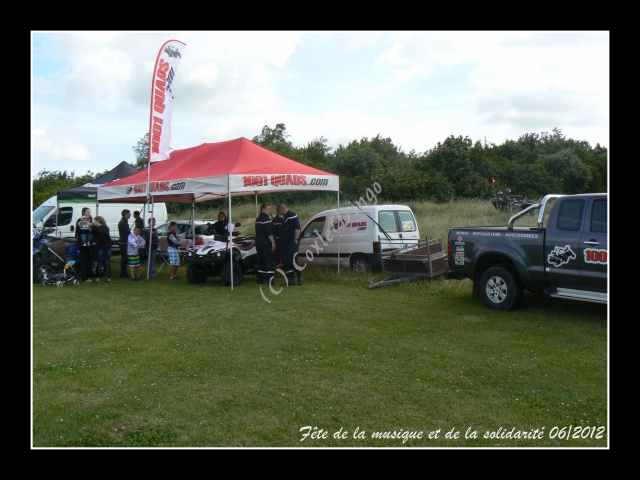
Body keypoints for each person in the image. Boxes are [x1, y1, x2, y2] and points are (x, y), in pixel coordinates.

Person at [273, 203, 303, 286]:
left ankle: (300, 275)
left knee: (292, 259)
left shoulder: (292, 215)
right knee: (286, 260)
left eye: (279, 211)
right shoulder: (285, 217)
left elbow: (297, 228)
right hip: (285, 243)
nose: (279, 213)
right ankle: (291, 280)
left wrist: (296, 239)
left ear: (281, 210)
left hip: (292, 242)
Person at [255, 203, 276, 285]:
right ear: (263, 209)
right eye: (269, 209)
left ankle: (260, 278)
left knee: (261, 261)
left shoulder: (258, 219)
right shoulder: (266, 220)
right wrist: (273, 242)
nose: (270, 210)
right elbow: (269, 233)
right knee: (269, 261)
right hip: (265, 244)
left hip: (258, 243)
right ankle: (270, 280)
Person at [75, 207, 93, 283]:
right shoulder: (81, 221)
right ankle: (84, 277)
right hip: (82, 243)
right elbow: (81, 230)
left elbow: (90, 230)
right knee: (84, 259)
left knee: (88, 258)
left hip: (88, 242)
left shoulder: (89, 220)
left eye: (89, 212)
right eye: (87, 212)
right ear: (83, 213)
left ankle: (87, 274)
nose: (89, 213)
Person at [91, 215, 112, 283]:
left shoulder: (96, 229)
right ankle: (109, 278)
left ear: (97, 221)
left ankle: (98, 277)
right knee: (107, 262)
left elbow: (93, 237)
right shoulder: (106, 228)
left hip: (100, 246)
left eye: (95, 221)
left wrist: (92, 227)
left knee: (99, 262)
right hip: (107, 246)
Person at [118, 209, 132, 278]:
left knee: (124, 258)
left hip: (123, 241)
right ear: (126, 214)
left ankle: (124, 273)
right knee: (124, 259)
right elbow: (126, 233)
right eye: (129, 214)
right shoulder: (123, 223)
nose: (130, 215)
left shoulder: (123, 222)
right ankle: (123, 273)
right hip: (124, 242)